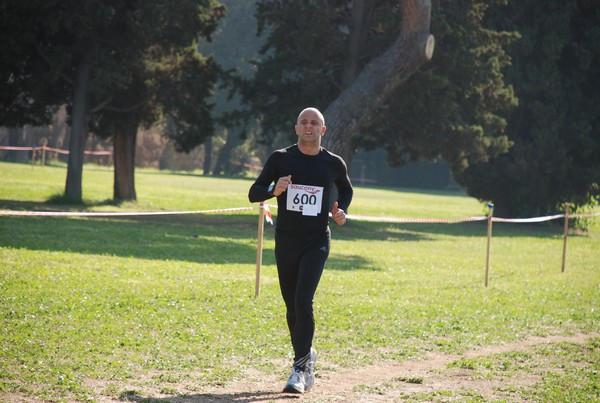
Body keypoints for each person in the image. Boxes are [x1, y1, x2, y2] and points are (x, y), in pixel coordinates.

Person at [248, 107, 353, 393]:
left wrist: (341, 210)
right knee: (291, 307)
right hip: (287, 240)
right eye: (304, 122)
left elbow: (346, 190)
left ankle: (300, 368)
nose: (309, 126)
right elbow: (253, 192)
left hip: (316, 240)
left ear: (323, 130)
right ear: (296, 129)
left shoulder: (333, 163)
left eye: (314, 122)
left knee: (303, 300)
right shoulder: (281, 159)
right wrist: (274, 189)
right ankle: (307, 354)